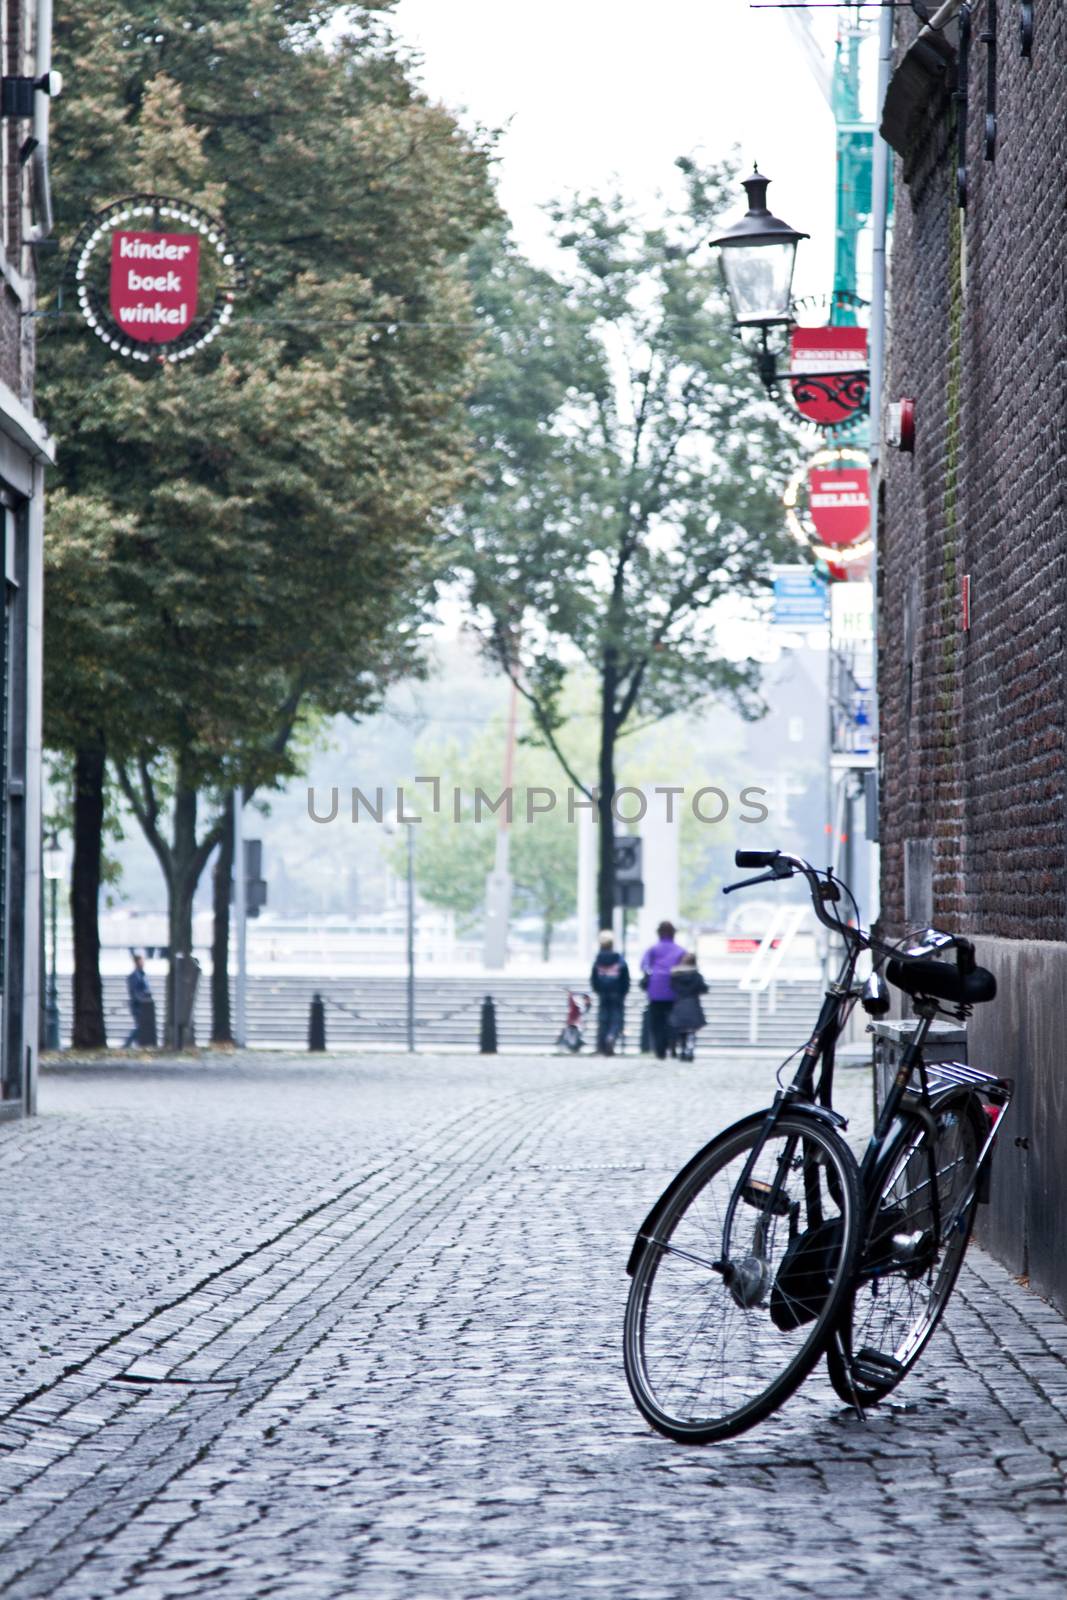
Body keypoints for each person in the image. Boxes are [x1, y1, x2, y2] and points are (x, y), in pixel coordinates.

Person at [640, 920, 687, 1060]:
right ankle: (672, 1046)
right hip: (674, 989)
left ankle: (660, 1049)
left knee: (656, 1021)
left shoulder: (653, 950)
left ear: (659, 933)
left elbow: (644, 966)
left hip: (655, 990)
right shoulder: (680, 950)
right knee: (673, 1020)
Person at [590, 931, 630, 1055]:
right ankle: (611, 1037)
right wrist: (624, 991)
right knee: (616, 1018)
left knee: (603, 1018)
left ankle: (602, 1045)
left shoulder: (598, 959)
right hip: (617, 993)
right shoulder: (619, 958)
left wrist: (598, 989)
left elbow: (594, 977)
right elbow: (625, 977)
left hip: (603, 992)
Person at [668, 951, 709, 1062]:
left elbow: (671, 987)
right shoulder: (696, 975)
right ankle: (690, 1050)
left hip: (680, 1003)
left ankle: (682, 1050)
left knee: (681, 1030)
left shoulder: (675, 975)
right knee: (692, 1030)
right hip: (692, 1003)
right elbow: (704, 988)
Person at [124, 952, 152, 1049]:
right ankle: (127, 1044)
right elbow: (135, 992)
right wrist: (142, 999)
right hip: (138, 1005)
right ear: (136, 962)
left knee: (141, 1026)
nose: (143, 963)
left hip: (144, 1005)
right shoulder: (134, 976)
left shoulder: (142, 975)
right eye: (141, 961)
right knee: (140, 1026)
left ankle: (135, 1044)